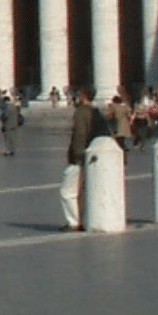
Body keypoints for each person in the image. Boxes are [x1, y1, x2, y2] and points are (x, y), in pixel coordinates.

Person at [60, 88, 99, 231]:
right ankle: (81, 219)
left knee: (67, 191)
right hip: (90, 155)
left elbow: (80, 134)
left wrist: (77, 155)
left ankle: (73, 222)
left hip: (80, 158)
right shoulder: (95, 111)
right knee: (81, 191)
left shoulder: (82, 112)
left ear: (83, 96)